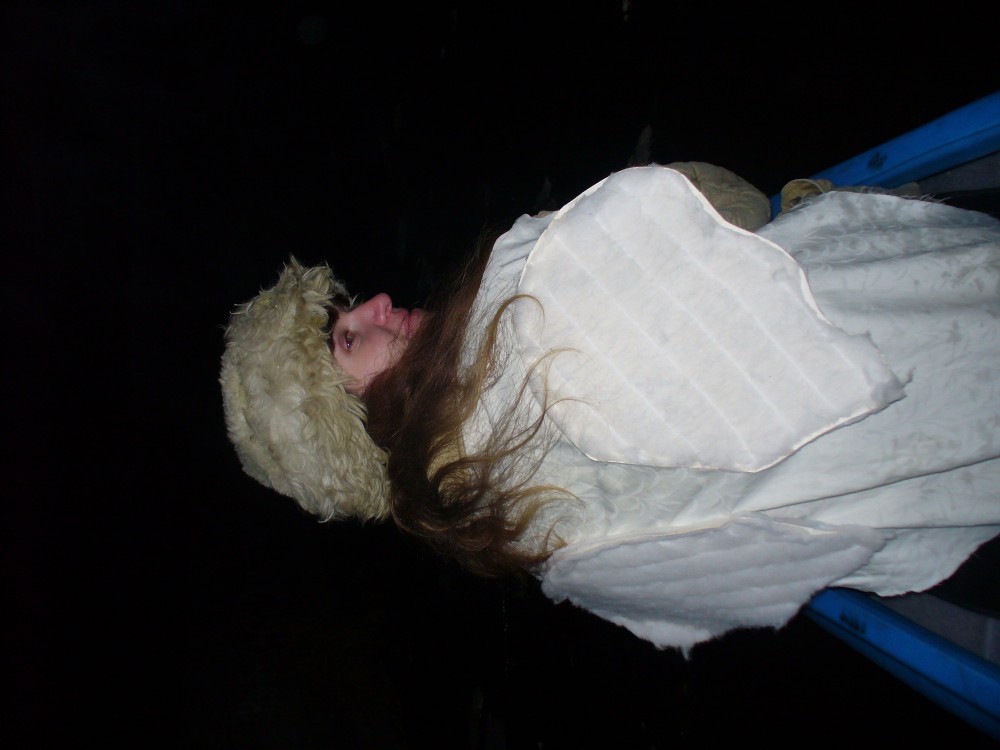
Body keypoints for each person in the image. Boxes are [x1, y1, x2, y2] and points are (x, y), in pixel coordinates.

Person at [221, 162, 1000, 652]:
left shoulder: (523, 545)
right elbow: (729, 201)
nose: (379, 303)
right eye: (349, 338)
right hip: (937, 315)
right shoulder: (524, 285)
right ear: (353, 422)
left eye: (350, 308)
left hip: (935, 517)